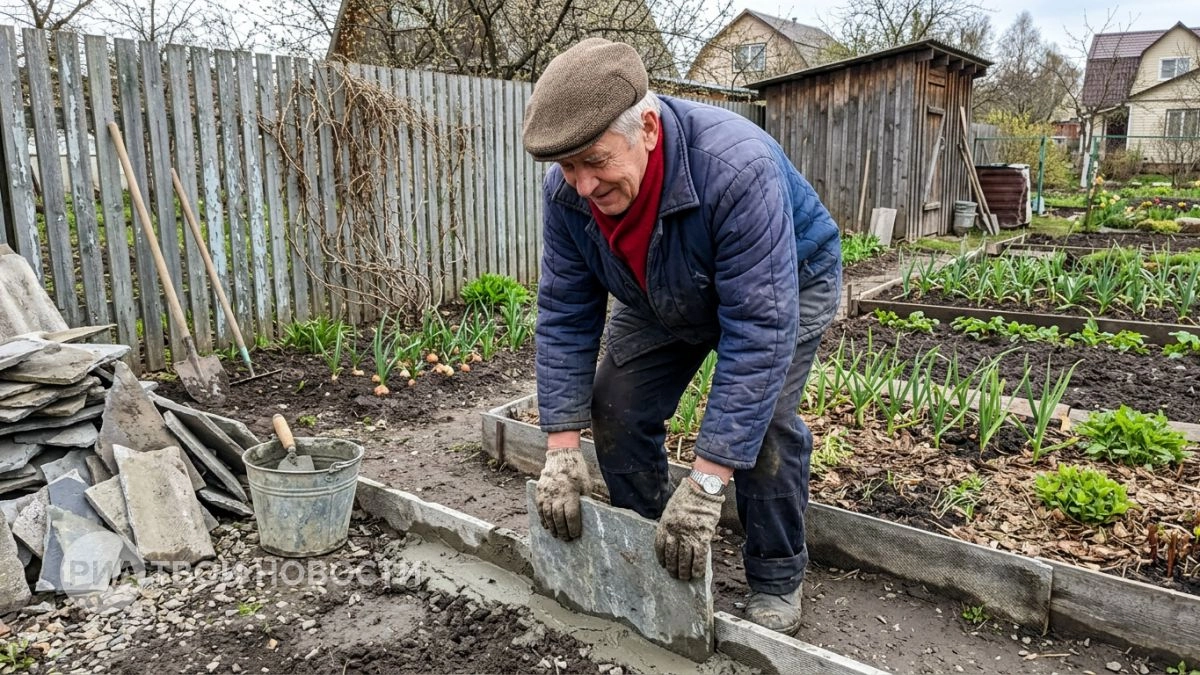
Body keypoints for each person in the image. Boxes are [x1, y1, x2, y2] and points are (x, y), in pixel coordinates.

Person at [523, 37, 842, 636]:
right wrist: (563, 448)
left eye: (595, 160)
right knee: (616, 399)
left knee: (765, 420)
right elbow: (566, 310)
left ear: (647, 127)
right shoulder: (567, 196)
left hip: (789, 279)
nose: (583, 185)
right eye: (568, 167)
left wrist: (705, 482)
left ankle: (776, 575)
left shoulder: (733, 168)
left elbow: (759, 328)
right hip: (666, 283)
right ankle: (650, 541)